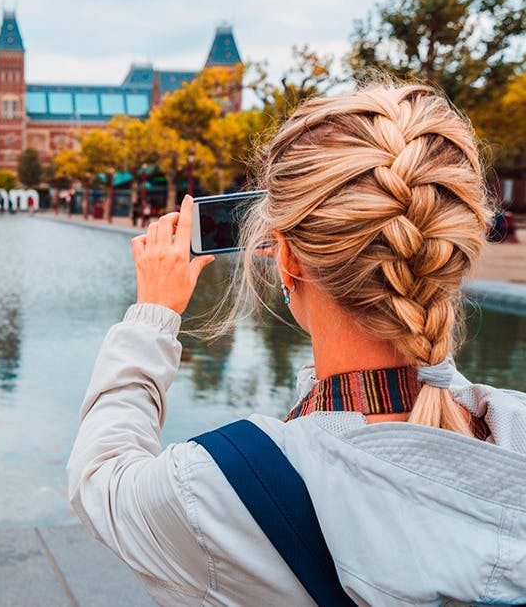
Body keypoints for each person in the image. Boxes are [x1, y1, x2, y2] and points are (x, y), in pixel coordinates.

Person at [67, 84, 526, 605]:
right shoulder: (513, 425)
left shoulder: (228, 489)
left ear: (286, 259)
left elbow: (99, 480)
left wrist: (153, 313)